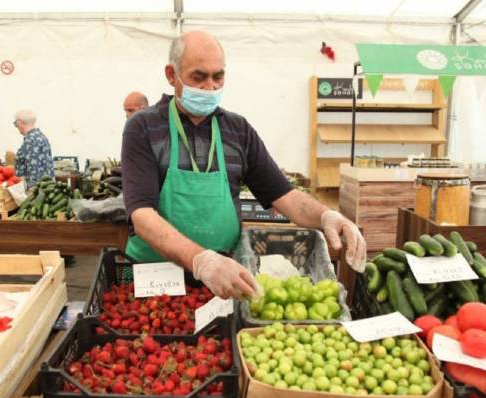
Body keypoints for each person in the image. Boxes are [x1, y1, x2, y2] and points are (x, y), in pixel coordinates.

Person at [121, 31, 367, 300]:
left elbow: (285, 195)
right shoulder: (143, 128)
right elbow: (142, 217)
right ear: (172, 75)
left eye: (218, 76)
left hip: (225, 280)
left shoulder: (237, 131)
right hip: (155, 281)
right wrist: (202, 261)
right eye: (198, 77)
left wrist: (326, 216)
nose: (210, 87)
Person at [13, 109, 54, 188]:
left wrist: (32, 191)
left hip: (37, 189)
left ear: (19, 122)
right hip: (44, 186)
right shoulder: (39, 136)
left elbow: (34, 169)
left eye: (15, 124)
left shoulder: (31, 140)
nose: (16, 127)